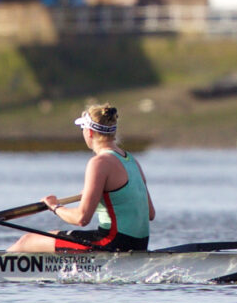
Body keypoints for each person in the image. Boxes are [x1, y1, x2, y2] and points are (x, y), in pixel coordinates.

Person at [11, 103, 153, 253]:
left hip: (111, 243)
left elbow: (81, 219)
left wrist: (54, 207)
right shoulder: (131, 160)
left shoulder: (99, 163)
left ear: (90, 132)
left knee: (26, 242)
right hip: (139, 245)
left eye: (83, 128)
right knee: (46, 239)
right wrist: (96, 195)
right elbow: (150, 213)